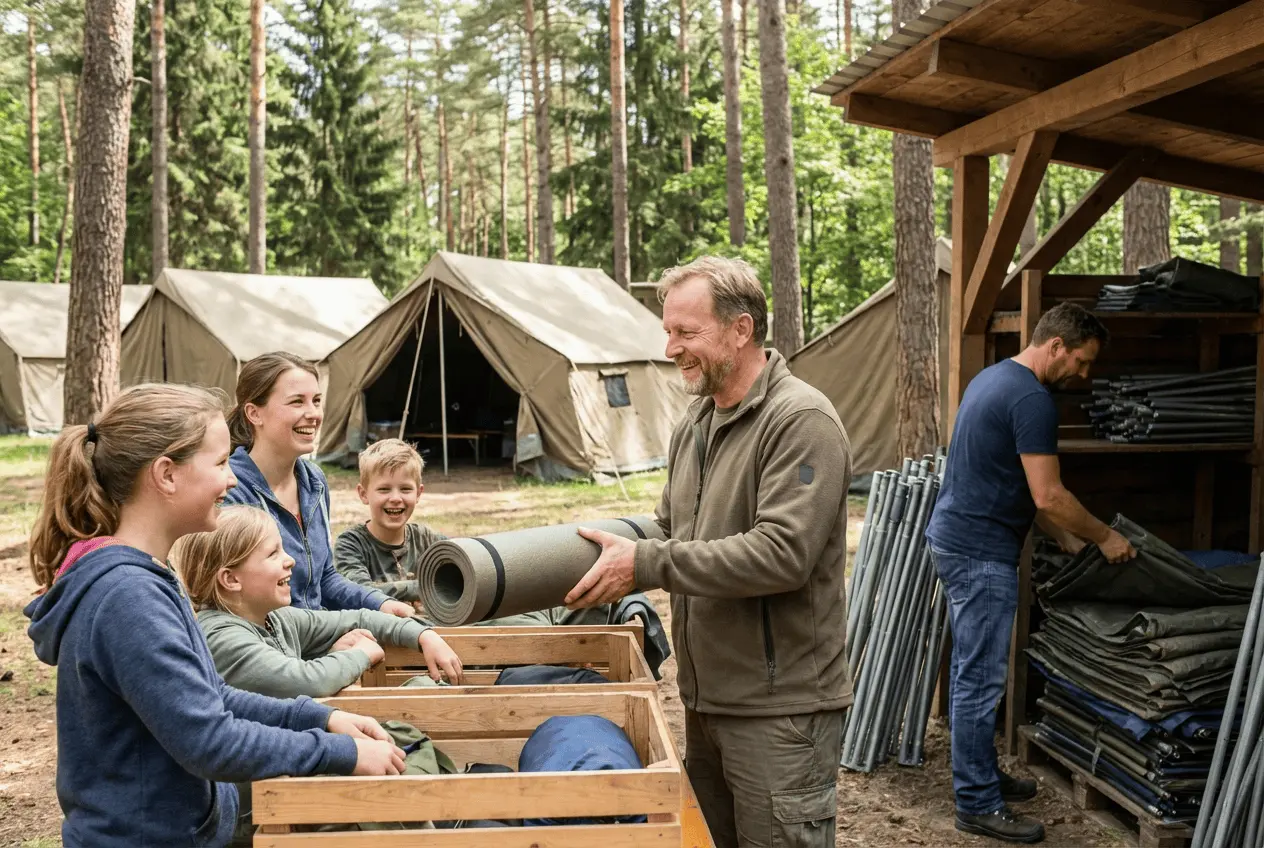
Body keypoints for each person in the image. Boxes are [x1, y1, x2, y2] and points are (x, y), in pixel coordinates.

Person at [24, 384, 407, 848]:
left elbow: (211, 696)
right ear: (166, 474)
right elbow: (210, 740)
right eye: (221, 462)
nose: (231, 481)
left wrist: (318, 718)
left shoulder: (143, 576)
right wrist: (338, 752)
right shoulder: (127, 596)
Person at [565, 256, 852, 848]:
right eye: (667, 331)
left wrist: (645, 563)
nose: (670, 348)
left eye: (686, 332)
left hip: (779, 712)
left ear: (740, 329)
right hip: (707, 699)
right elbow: (671, 528)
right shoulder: (696, 422)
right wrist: (588, 552)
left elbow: (781, 554)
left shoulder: (800, 420)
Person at [925, 302, 1136, 844]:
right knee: (980, 680)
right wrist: (1104, 536)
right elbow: (1049, 493)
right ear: (1056, 345)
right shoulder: (1032, 400)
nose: (1083, 374)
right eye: (1081, 361)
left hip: (958, 539)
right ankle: (977, 803)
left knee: (973, 672)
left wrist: (1060, 534)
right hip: (980, 554)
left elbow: (1010, 478)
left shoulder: (994, 379)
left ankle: (981, 775)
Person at [174, 506, 464, 699]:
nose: (290, 561)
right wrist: (359, 654)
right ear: (231, 579)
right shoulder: (222, 636)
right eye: (273, 554)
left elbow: (358, 618)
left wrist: (423, 635)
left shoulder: (275, 618)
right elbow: (301, 681)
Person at [223, 352, 414, 618]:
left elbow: (324, 579)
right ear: (254, 413)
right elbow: (248, 604)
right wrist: (340, 629)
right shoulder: (230, 489)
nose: (313, 414)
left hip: (318, 630)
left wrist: (380, 604)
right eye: (297, 402)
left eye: (316, 401)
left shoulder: (314, 481)